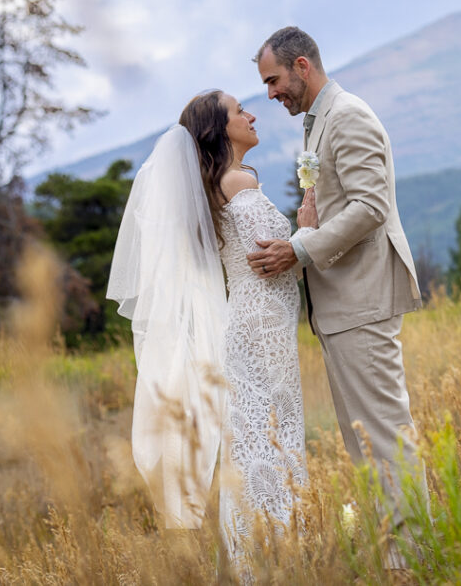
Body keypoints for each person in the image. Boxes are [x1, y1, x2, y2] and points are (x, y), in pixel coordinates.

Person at [108, 90, 314, 567]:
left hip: (252, 321)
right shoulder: (238, 181)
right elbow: (274, 254)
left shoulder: (216, 184)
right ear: (219, 130)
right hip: (260, 325)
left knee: (253, 438)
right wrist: (307, 225)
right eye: (240, 111)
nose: (251, 115)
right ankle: (276, 554)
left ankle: (256, 554)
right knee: (271, 436)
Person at [248, 26, 427, 566]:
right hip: (342, 304)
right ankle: (395, 555)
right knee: (364, 441)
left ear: (302, 66)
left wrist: (299, 249)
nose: (270, 94)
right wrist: (308, 227)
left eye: (274, 80)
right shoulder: (318, 122)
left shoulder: (347, 116)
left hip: (362, 299)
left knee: (385, 435)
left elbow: (371, 207)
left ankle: (413, 560)